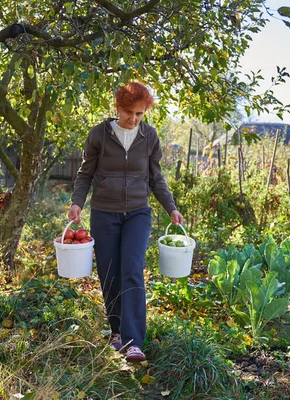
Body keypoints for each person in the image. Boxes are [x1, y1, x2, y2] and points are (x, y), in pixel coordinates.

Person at [69, 81, 183, 362]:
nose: (133, 119)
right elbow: (85, 173)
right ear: (118, 108)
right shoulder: (99, 134)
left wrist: (171, 207)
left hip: (138, 212)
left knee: (131, 268)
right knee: (109, 272)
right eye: (129, 112)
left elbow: (156, 178)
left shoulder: (150, 137)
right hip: (104, 212)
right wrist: (76, 202)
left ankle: (133, 341)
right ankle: (117, 332)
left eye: (140, 114)